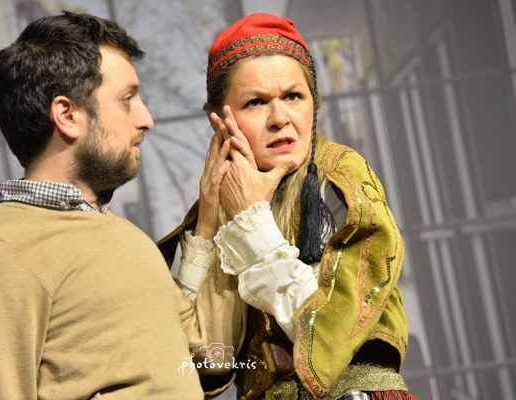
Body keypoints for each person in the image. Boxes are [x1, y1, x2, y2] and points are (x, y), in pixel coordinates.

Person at [0, 11, 242, 399]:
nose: (146, 119)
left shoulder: (127, 238)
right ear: (67, 115)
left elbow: (205, 357)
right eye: (127, 99)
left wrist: (211, 222)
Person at [159, 13, 417, 400]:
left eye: (294, 97)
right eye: (256, 102)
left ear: (314, 103)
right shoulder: (225, 209)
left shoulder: (340, 175)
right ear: (219, 122)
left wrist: (252, 222)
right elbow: (210, 362)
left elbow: (327, 335)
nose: (280, 118)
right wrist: (210, 223)